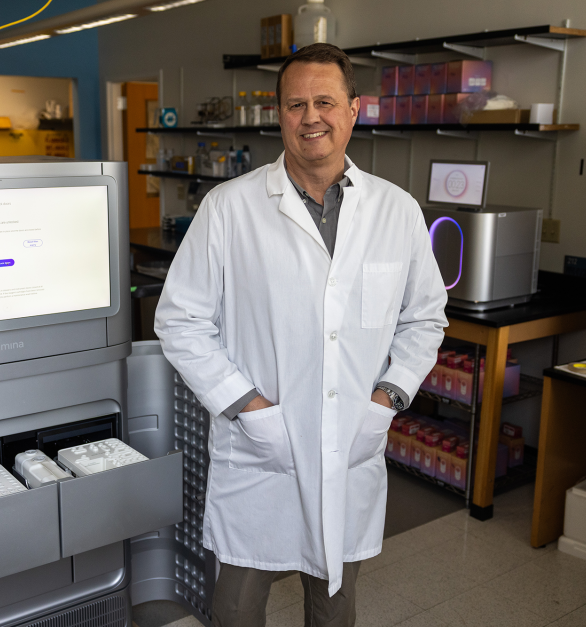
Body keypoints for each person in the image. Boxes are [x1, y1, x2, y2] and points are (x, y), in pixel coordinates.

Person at [154, 43, 448, 627]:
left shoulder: (397, 212)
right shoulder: (228, 209)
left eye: (325, 101)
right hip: (262, 447)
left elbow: (426, 317)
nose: (311, 116)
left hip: (350, 442)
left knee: (335, 602)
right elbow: (180, 320)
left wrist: (387, 398)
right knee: (237, 604)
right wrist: (248, 405)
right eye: (296, 104)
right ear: (280, 116)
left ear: (353, 109)